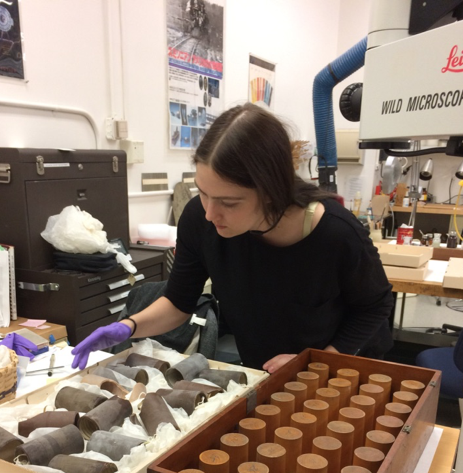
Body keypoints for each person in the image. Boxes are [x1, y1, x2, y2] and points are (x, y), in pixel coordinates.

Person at [71, 103, 394, 372]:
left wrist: (316, 362)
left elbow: (374, 308)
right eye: (203, 193)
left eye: (228, 202)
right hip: (261, 370)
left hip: (338, 372)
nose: (211, 213)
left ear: (271, 191)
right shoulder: (201, 219)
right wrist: (128, 326)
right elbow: (179, 302)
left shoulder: (336, 234)